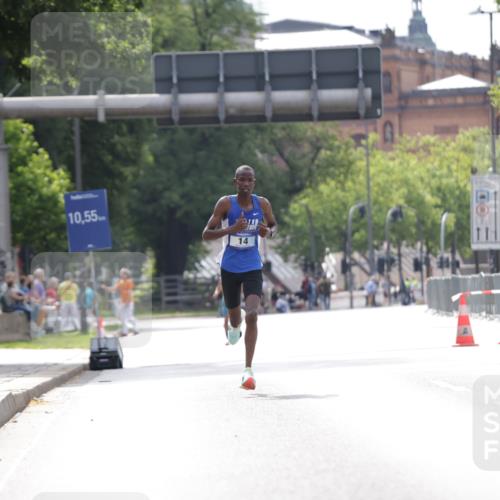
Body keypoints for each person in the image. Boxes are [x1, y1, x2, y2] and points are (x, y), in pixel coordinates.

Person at [202, 164, 277, 390]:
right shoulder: (226, 204)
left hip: (252, 265)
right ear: (235, 182)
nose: (245, 184)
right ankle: (234, 327)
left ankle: (247, 370)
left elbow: (273, 225)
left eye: (249, 180)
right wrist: (230, 229)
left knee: (252, 314)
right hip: (229, 267)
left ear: (254, 182)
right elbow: (206, 234)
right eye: (241, 180)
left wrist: (269, 232)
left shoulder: (262, 204)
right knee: (235, 319)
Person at [102, 268, 138, 336]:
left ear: (126, 275)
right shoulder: (120, 282)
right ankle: (125, 331)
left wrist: (128, 300)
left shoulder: (129, 281)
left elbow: (130, 292)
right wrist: (106, 288)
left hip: (129, 301)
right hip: (123, 302)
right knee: (121, 316)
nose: (121, 274)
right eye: (121, 273)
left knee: (129, 316)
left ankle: (135, 329)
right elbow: (113, 289)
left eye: (122, 273)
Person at [212, 277, 229, 344]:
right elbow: (218, 287)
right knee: (225, 323)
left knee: (234, 320)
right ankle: (229, 338)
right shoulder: (222, 278)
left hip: (233, 299)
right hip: (225, 301)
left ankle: (235, 333)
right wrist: (216, 293)